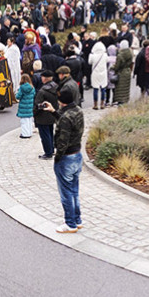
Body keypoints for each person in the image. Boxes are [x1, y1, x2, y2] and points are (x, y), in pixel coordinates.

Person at [40, 87, 84, 233]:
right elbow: (68, 122)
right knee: (74, 191)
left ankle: (70, 223)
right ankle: (77, 220)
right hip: (77, 155)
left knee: (66, 193)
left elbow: (63, 141)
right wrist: (54, 112)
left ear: (61, 102)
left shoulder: (65, 118)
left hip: (67, 158)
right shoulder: (77, 110)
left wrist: (57, 158)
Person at [34, 70, 58, 160]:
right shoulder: (56, 87)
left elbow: (38, 104)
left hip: (42, 116)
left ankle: (48, 153)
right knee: (50, 133)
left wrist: (34, 113)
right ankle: (51, 149)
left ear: (44, 78)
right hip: (51, 114)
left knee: (44, 135)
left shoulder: (43, 91)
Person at [15, 72, 35, 138]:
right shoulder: (32, 87)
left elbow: (18, 96)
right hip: (30, 106)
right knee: (29, 120)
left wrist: (16, 93)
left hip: (23, 106)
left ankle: (25, 134)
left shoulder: (22, 87)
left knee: (24, 121)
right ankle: (29, 132)